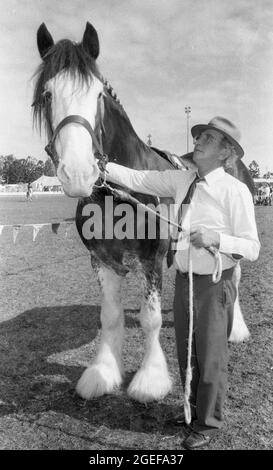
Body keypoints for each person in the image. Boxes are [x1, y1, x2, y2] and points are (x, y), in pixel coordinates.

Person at [103, 116, 260, 449]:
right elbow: (139, 177)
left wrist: (217, 240)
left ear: (225, 152)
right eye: (200, 136)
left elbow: (253, 247)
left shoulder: (235, 191)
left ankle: (209, 423)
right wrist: (102, 166)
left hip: (215, 283)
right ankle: (190, 410)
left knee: (211, 355)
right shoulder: (182, 179)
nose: (199, 141)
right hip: (184, 280)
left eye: (208, 138)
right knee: (187, 352)